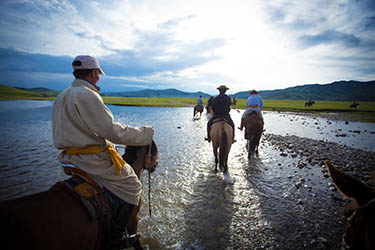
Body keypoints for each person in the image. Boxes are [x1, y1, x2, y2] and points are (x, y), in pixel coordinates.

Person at [52, 55, 154, 249]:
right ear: (93, 73)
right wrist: (144, 134)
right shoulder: (87, 95)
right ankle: (116, 237)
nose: (98, 77)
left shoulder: (62, 95)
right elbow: (111, 131)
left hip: (69, 159)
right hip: (90, 159)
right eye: (98, 74)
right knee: (133, 185)